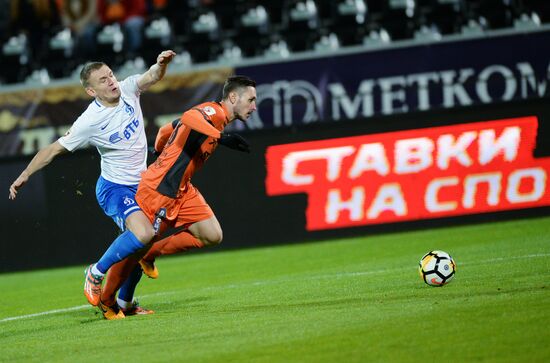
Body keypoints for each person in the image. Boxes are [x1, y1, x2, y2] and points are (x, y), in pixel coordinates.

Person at [9, 49, 176, 319]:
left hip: (142, 185)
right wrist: (25, 173)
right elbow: (53, 149)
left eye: (110, 75)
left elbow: (152, 76)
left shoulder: (129, 89)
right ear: (91, 91)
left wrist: (161, 64)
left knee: (142, 245)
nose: (111, 81)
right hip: (115, 188)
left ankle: (125, 304)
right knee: (143, 235)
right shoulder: (89, 120)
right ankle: (95, 272)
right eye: (103, 80)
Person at [85, 75, 257, 313]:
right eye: (251, 99)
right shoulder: (214, 113)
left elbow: (168, 129)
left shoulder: (219, 121)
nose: (254, 106)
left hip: (183, 189)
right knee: (137, 246)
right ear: (233, 97)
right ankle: (108, 299)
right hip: (160, 190)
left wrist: (160, 150)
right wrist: (221, 138)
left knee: (212, 234)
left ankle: (148, 259)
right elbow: (189, 117)